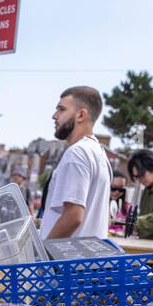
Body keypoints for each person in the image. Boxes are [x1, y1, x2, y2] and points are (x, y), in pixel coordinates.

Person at [39, 86, 111, 241]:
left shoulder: (77, 153)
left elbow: (73, 217)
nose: (54, 116)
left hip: (68, 263)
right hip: (90, 261)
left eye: (61, 109)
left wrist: (44, 257)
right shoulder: (99, 153)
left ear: (81, 115)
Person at [108, 169, 129, 234]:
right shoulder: (98, 206)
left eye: (121, 189)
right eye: (113, 188)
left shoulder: (128, 208)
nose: (117, 192)